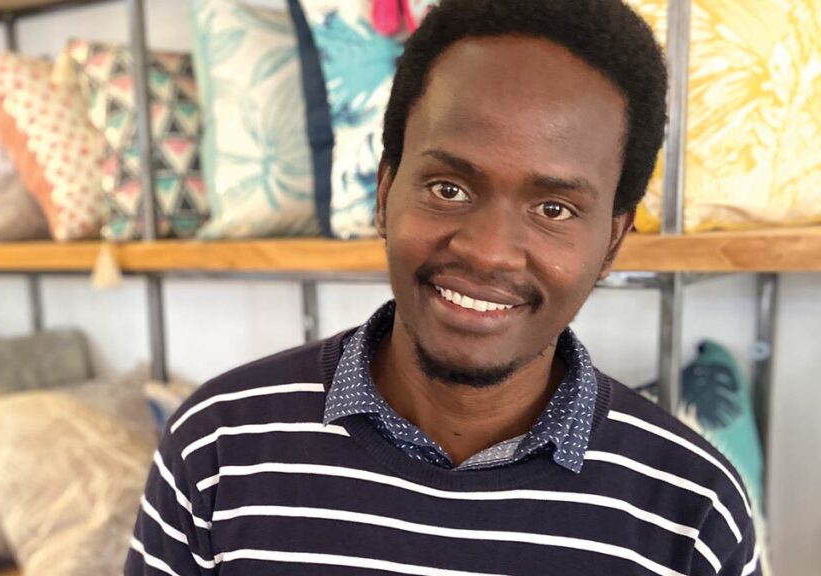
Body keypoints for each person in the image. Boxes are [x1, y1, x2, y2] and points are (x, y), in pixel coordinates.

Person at [124, 0, 761, 574]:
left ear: (611, 245)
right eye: (448, 188)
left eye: (554, 209)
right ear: (383, 193)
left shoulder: (692, 512)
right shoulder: (220, 449)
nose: (487, 252)